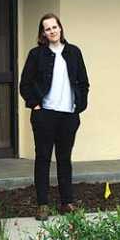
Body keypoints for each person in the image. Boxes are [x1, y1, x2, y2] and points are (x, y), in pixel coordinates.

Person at [19, 13, 89, 221]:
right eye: (47, 29)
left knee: (64, 159)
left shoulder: (74, 52)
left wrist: (79, 106)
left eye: (54, 27)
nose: (52, 31)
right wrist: (36, 105)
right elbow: (25, 84)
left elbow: (84, 83)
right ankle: (42, 205)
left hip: (68, 115)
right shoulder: (36, 54)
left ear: (60, 28)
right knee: (42, 159)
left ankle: (67, 202)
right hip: (45, 115)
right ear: (43, 33)